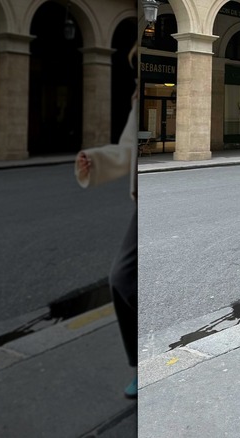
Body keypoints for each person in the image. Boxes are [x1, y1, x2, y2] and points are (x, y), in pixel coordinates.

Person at [74, 46, 139, 399]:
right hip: (140, 203)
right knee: (120, 279)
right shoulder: (136, 93)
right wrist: (95, 160)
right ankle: (139, 363)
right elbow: (127, 149)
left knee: (123, 277)